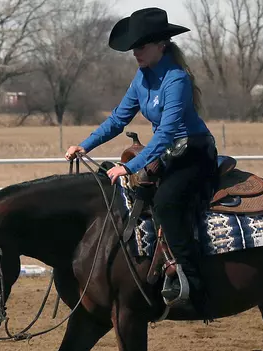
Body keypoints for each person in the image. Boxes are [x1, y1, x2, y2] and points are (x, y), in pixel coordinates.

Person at [65, 7, 217, 308]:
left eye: (142, 45)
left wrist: (129, 166)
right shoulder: (142, 77)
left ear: (161, 44)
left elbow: (166, 134)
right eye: (134, 46)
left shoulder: (176, 80)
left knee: (166, 202)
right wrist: (85, 146)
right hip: (168, 153)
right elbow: (118, 120)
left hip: (194, 153)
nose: (136, 52)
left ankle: (192, 282)